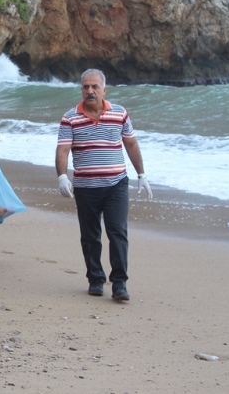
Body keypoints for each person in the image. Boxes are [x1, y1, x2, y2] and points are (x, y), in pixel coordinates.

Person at [55, 68, 153, 301]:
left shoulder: (120, 113)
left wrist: (141, 174)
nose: (90, 91)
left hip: (116, 185)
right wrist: (61, 176)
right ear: (81, 90)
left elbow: (131, 144)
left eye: (95, 87)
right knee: (90, 236)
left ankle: (119, 283)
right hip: (86, 188)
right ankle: (96, 279)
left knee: (117, 232)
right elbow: (62, 150)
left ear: (104, 90)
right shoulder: (70, 117)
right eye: (86, 87)